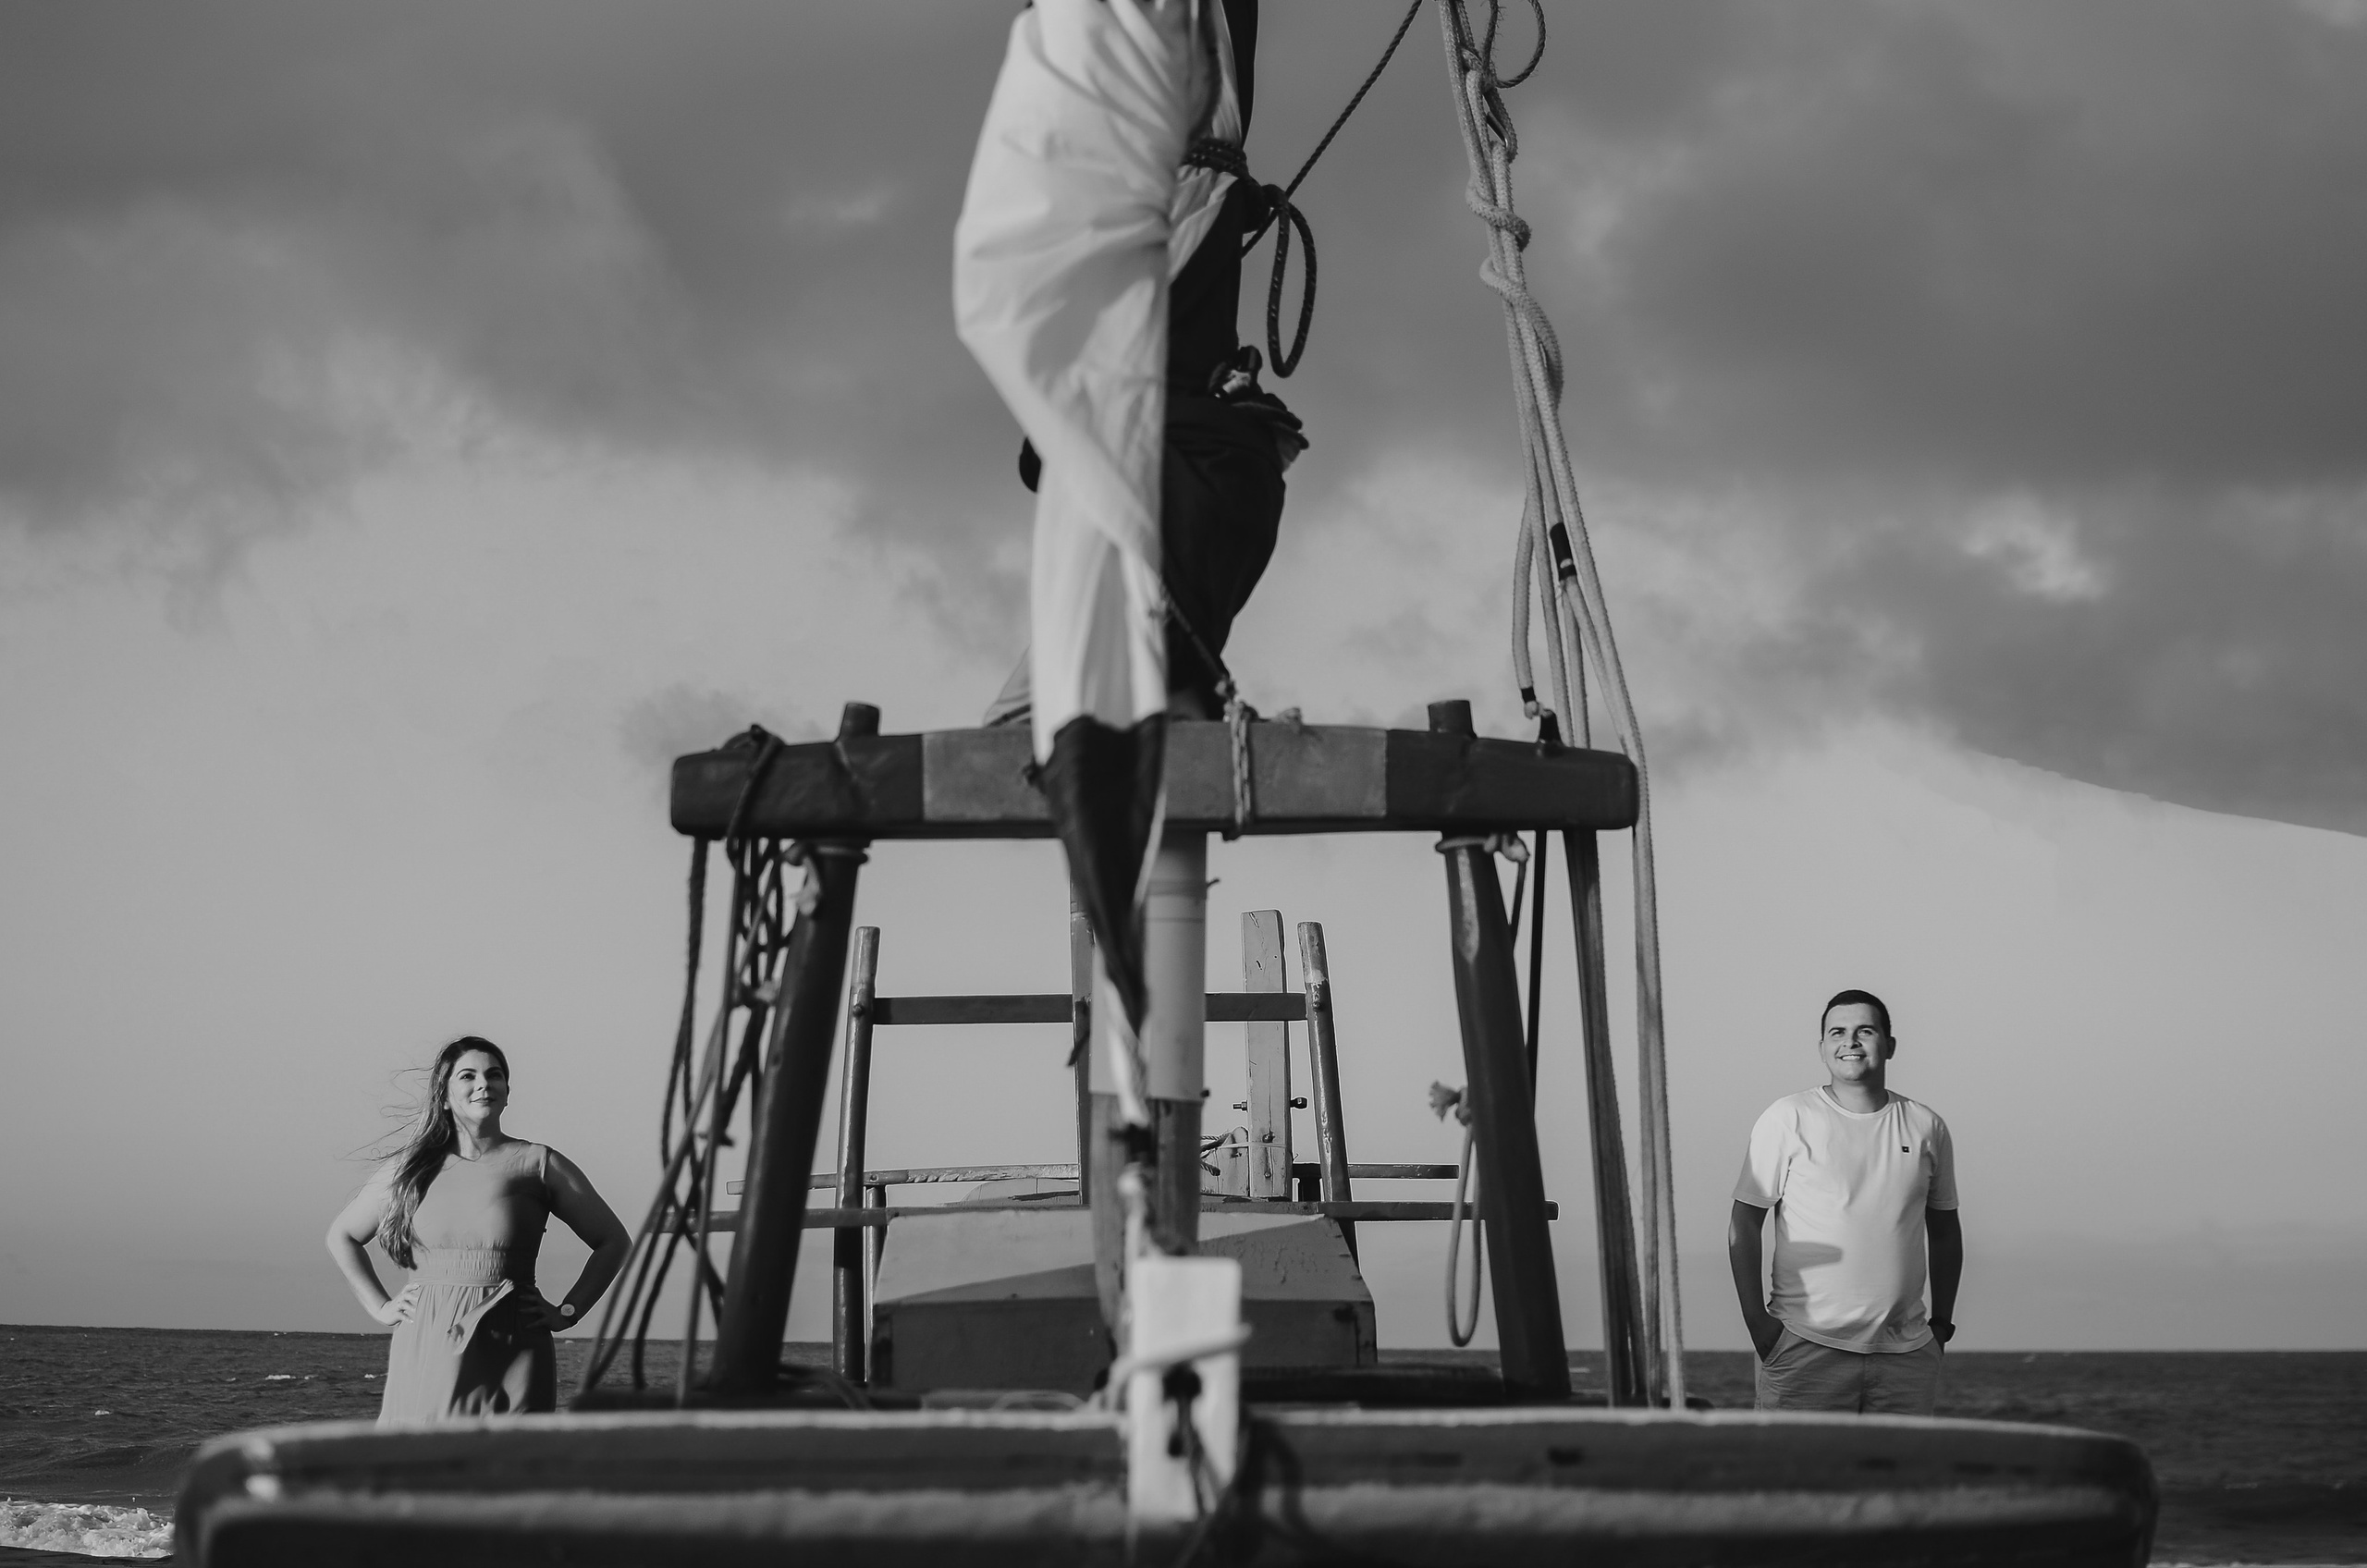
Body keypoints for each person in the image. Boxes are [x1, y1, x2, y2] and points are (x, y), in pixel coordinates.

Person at [326, 1036, 632, 1423]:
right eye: (468, 1076)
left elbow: (614, 1241)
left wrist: (568, 1312)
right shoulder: (410, 1170)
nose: (484, 1084)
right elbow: (343, 1236)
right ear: (445, 1094)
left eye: (495, 1075)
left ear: (507, 1092)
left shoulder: (538, 1162)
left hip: (515, 1346)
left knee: (509, 1473)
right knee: (423, 1468)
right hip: (429, 1346)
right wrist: (381, 1306)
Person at [1728, 990, 1962, 1415]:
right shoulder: (1788, 1118)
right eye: (1838, 1032)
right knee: (1794, 1480)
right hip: (1803, 1348)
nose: (1850, 1042)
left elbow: (1945, 1231)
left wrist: (1941, 1327)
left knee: (1898, 1482)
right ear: (1822, 1048)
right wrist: (1758, 1324)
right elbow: (1744, 1223)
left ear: (1889, 1045)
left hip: (1906, 1356)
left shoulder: (1927, 1127)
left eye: (1864, 1031)